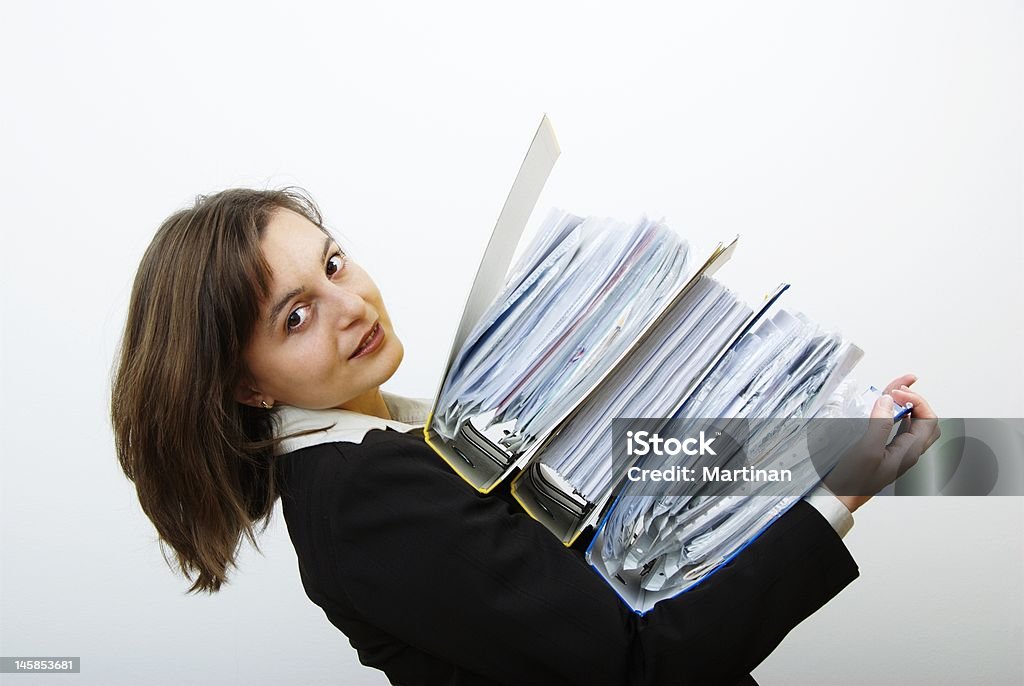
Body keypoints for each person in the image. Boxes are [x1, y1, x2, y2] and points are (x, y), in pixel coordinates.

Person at [110, 188, 940, 686]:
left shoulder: (403, 433)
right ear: (248, 386)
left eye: (333, 265)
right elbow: (634, 667)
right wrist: (837, 489)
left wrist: (797, 446)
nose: (351, 305)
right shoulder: (361, 498)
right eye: (295, 316)